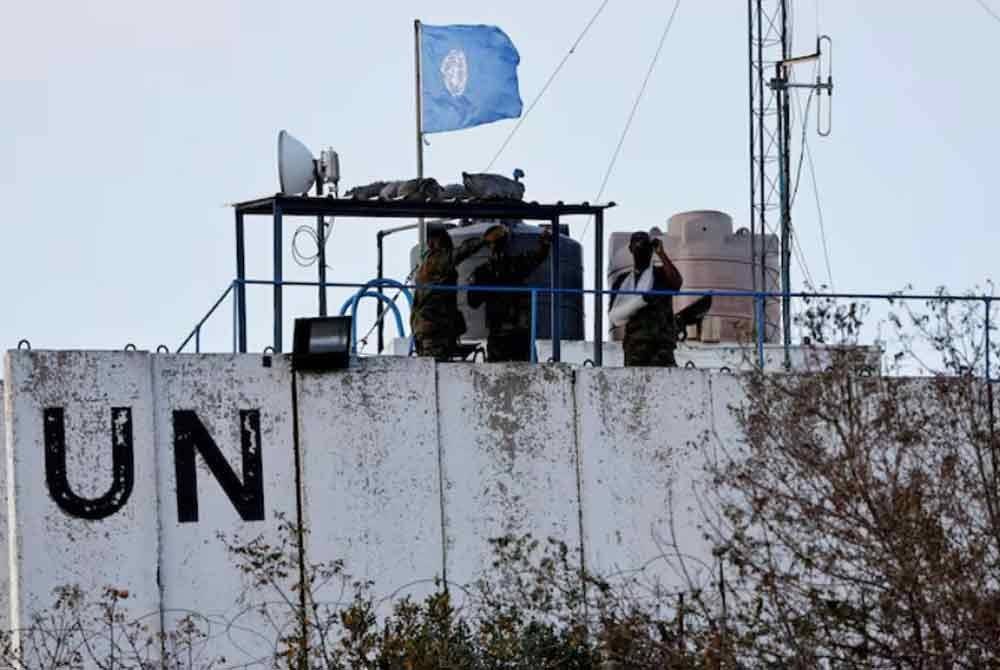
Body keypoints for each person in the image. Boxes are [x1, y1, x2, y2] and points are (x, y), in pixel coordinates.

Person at [468, 224, 552, 362]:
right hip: (520, 331)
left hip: (499, 332)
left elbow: (473, 302)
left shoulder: (483, 272)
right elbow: (539, 256)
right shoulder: (518, 264)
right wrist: (545, 241)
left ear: (489, 246)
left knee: (496, 375)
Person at [410, 226, 488, 361]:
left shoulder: (427, 263)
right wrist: (483, 240)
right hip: (435, 330)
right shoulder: (437, 260)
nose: (448, 243)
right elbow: (460, 253)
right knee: (436, 369)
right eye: (444, 240)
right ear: (434, 242)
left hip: (432, 329)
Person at [609, 231, 684, 367]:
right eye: (636, 243)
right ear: (630, 249)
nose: (640, 247)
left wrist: (661, 253)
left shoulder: (661, 274)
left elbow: (676, 283)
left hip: (662, 344)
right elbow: (615, 316)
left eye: (644, 244)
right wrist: (641, 301)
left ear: (651, 249)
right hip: (635, 346)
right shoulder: (622, 281)